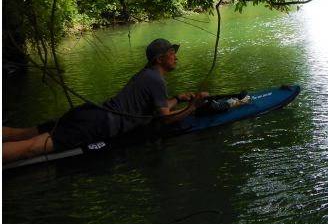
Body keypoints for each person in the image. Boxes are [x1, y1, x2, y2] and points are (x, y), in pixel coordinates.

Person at [2, 38, 209, 163]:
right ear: (159, 59)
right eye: (172, 53)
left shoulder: (147, 76)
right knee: (31, 147)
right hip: (98, 124)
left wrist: (177, 99)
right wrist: (192, 107)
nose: (176, 57)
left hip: (91, 113)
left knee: (24, 133)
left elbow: (153, 109)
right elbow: (166, 119)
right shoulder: (156, 80)